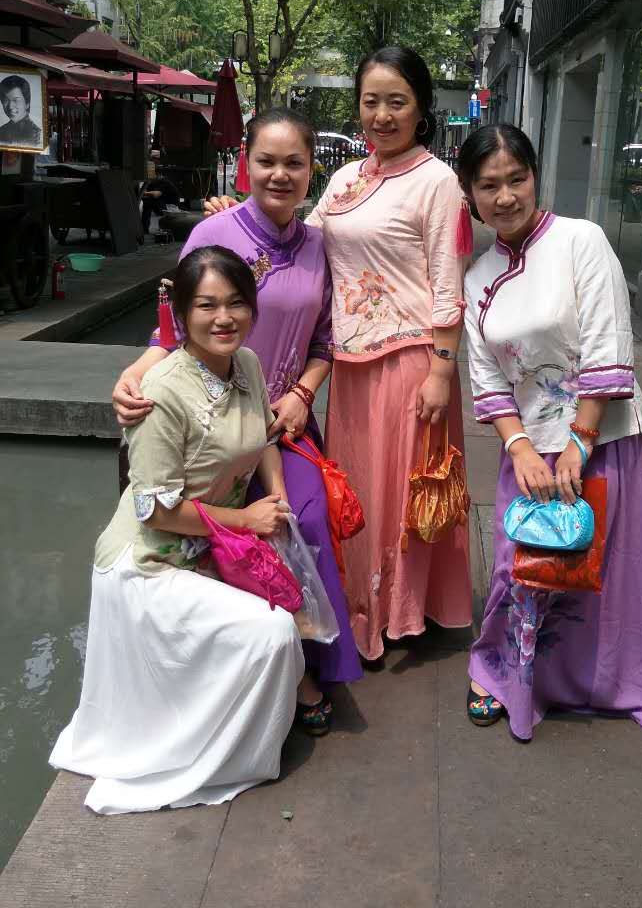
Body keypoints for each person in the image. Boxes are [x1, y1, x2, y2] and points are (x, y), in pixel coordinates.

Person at [112, 108, 362, 734]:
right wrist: (137, 372)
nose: (280, 175)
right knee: (223, 532)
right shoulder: (214, 233)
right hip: (209, 425)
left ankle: (308, 659)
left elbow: (327, 336)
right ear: (245, 163)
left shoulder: (317, 245)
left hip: (283, 424)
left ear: (312, 171)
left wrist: (304, 393)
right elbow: (174, 327)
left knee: (301, 517)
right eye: (267, 161)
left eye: (294, 163)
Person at [50, 246, 305, 814]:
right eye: (207, 306)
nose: (223, 318)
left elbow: (263, 440)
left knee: (293, 609)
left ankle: (231, 732)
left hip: (211, 545)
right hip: (149, 562)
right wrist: (247, 519)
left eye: (237, 304)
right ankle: (222, 758)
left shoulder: (249, 365)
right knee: (273, 634)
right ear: (182, 315)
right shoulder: (160, 392)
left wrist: (279, 496)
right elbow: (153, 510)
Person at [459, 123, 642, 740]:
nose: (505, 197)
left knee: (597, 565)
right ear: (470, 194)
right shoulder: (476, 278)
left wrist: (578, 442)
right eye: (489, 185)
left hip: (601, 436)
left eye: (516, 179)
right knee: (520, 566)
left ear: (536, 176)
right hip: (526, 450)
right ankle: (505, 674)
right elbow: (486, 377)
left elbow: (609, 345)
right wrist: (520, 446)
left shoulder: (583, 241)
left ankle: (604, 679)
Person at [306, 47, 472, 661]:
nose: (382, 114)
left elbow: (447, 279)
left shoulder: (439, 182)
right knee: (357, 491)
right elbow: (305, 240)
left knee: (405, 492)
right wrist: (236, 218)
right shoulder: (345, 179)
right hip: (349, 367)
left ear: (421, 108)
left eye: (396, 101)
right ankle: (359, 605)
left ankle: (401, 611)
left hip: (412, 363)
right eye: (371, 100)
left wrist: (442, 370)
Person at [0, 74, 41, 147]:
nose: (10, 106)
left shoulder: (37, 135)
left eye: (16, 100)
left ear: (27, 103)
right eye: (5, 100)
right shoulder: (2, 130)